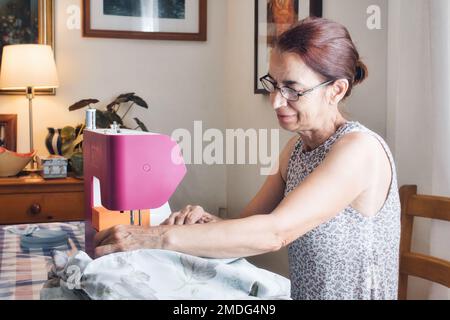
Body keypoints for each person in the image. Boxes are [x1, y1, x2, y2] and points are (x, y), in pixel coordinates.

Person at [94, 17, 401, 300]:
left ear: (336, 90)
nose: (276, 101)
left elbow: (273, 233)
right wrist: (201, 224)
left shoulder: (359, 150)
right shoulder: (295, 151)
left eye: (292, 90)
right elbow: (245, 227)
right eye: (273, 84)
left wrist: (156, 237)